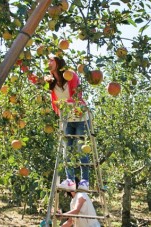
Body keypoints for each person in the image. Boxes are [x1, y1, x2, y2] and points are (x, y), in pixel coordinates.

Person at [45, 56, 90, 191]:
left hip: (80, 117)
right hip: (65, 119)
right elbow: (36, 80)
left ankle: (85, 181)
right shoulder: (50, 81)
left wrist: (62, 104)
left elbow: (76, 96)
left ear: (58, 63)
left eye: (51, 60)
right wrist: (24, 67)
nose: (48, 63)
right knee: (67, 151)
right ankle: (70, 179)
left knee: (81, 149)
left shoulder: (71, 76)